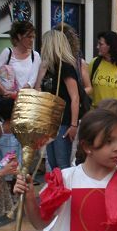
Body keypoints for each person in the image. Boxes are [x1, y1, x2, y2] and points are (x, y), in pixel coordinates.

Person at [37, 29, 81, 171]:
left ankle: (66, 192)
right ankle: (56, 191)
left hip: (63, 122)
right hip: (50, 121)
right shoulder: (48, 68)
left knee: (62, 163)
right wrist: (41, 72)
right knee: (53, 162)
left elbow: (75, 97)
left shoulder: (66, 67)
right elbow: (38, 90)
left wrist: (73, 125)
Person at [0, 20, 40, 103]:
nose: (31, 40)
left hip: (26, 103)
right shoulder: (8, 52)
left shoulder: (35, 56)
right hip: (7, 102)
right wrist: (5, 92)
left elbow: (31, 82)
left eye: (33, 37)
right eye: (29, 37)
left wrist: (16, 95)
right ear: (19, 36)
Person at [89, 31, 117, 121]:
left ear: (111, 46)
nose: (97, 47)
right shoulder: (95, 63)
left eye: (101, 44)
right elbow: (88, 87)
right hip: (97, 118)